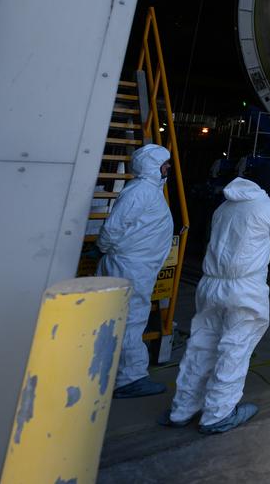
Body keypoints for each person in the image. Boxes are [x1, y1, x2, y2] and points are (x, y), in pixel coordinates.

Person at [159, 177, 270, 434]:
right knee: (235, 348)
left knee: (201, 346)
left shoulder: (223, 207)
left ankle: (182, 410)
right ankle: (217, 415)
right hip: (244, 288)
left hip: (210, 284)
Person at [97, 143, 174, 398]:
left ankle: (110, 372)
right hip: (130, 268)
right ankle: (130, 379)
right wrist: (104, 247)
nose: (168, 169)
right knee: (131, 320)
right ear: (153, 166)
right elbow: (112, 228)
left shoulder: (147, 190)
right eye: (165, 164)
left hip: (135, 266)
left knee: (125, 318)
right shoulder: (141, 191)